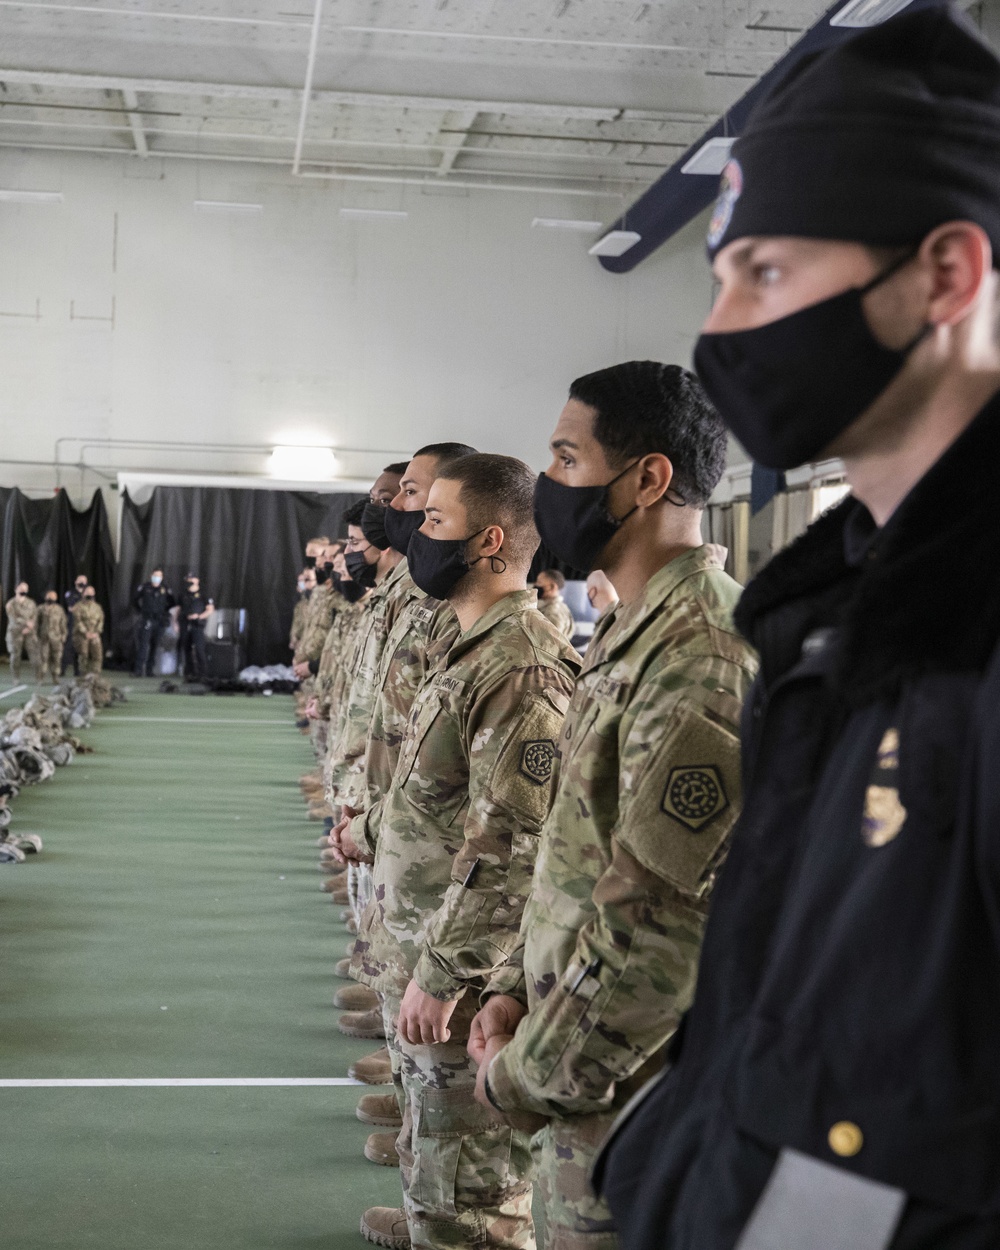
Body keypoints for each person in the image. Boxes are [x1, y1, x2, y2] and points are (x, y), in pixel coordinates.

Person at [599, 10, 1000, 1250]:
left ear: (947, 274)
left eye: (765, 273)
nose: (721, 329)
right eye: (719, 279)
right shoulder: (838, 622)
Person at [468, 362, 757, 1250]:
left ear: (648, 480)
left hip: (634, 1094)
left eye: (566, 459)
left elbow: (656, 931)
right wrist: (515, 985)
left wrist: (524, 1075)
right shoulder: (635, 628)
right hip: (583, 1065)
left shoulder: (701, 654)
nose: (547, 484)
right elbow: (579, 846)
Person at [342, 452, 579, 1250]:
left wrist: (447, 971)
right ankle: (431, 1227)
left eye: (435, 519)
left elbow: (514, 847)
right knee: (434, 1140)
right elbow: (432, 803)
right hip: (426, 939)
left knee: (473, 1179)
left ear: (488, 542)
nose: (418, 532)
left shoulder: (523, 668)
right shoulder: (474, 646)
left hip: (466, 965)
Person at [327, 443, 477, 1119]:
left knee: (426, 973)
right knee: (395, 946)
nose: (391, 510)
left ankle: (421, 1106)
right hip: (386, 803)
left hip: (426, 828)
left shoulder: (445, 605)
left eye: (410, 496)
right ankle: (406, 1080)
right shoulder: (406, 590)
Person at [133, 569, 176, 677]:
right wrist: (141, 611)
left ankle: (150, 670)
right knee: (143, 645)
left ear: (162, 577)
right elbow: (135, 600)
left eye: (159, 576)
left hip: (160, 620)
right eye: (155, 575)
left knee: (155, 645)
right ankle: (138, 670)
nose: (157, 578)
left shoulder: (165, 588)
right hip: (147, 619)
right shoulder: (145, 587)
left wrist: (164, 611)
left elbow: (172, 602)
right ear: (151, 575)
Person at [180, 576, 214, 680]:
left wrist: (198, 616)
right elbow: (179, 609)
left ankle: (203, 673)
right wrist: (175, 623)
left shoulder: (203, 594)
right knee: (187, 649)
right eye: (188, 579)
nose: (190, 581)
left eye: (192, 579)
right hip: (185, 624)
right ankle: (190, 673)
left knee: (199, 649)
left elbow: (210, 609)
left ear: (197, 580)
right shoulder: (183, 594)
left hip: (197, 625)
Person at [5, 582, 39, 681]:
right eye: (21, 588)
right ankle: (16, 677)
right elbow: (13, 618)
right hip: (15, 633)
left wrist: (29, 627)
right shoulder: (10, 604)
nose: (23, 590)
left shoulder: (31, 603)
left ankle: (38, 677)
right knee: (15, 656)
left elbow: (35, 616)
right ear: (16, 589)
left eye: (25, 589)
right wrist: (26, 623)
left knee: (34, 655)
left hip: (29, 632)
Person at [37, 591, 68, 684]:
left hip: (56, 638)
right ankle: (41, 678)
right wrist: (36, 636)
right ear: (46, 597)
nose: (51, 599)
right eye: (49, 597)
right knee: (43, 658)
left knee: (57, 659)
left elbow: (63, 624)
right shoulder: (40, 609)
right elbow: (36, 623)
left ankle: (55, 677)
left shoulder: (59, 610)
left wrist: (64, 635)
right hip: (44, 638)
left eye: (53, 597)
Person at [72, 587, 105, 676]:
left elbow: (101, 620)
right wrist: (85, 633)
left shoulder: (97, 607)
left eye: (91, 593)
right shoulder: (78, 606)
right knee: (84, 655)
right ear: (83, 594)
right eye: (87, 593)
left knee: (97, 655)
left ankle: (95, 675)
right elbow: (78, 621)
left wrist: (97, 632)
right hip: (82, 635)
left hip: (95, 634)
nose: (89, 595)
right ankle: (83, 675)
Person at [535, 568, 575, 638]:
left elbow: (549, 641)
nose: (535, 585)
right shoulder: (562, 607)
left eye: (539, 582)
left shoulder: (553, 612)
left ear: (552, 587)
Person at [62, 574, 88, 676]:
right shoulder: (70, 593)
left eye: (84, 581)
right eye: (80, 581)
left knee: (80, 648)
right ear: (76, 582)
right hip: (72, 623)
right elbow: (72, 608)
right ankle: (62, 669)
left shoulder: (87, 594)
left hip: (84, 624)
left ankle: (77, 671)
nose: (82, 583)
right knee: (68, 647)